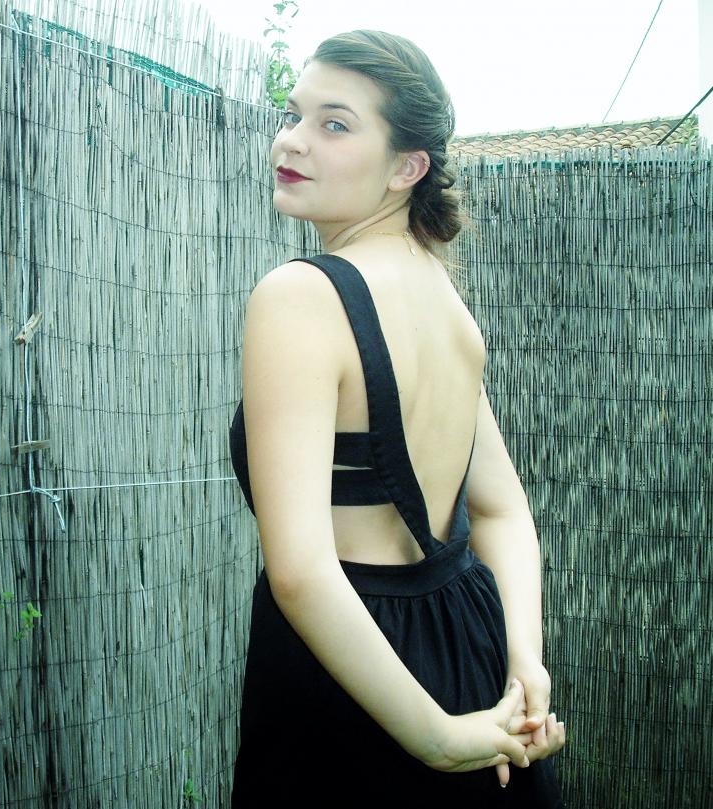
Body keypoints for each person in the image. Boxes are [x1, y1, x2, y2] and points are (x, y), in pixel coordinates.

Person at [229, 30, 566, 807]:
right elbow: (503, 509)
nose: (293, 140)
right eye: (293, 114)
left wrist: (438, 738)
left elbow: (302, 571)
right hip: (469, 639)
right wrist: (524, 659)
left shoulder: (299, 297)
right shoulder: (444, 301)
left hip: (353, 674)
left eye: (334, 124)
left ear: (405, 168)